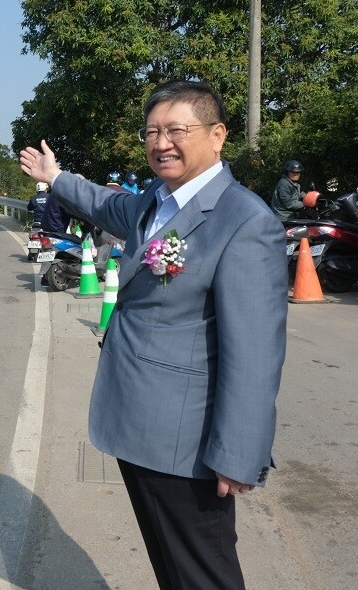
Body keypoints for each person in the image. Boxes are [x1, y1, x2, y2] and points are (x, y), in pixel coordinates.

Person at [19, 80, 287, 589]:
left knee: (203, 572)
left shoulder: (244, 220)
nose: (161, 142)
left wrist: (238, 452)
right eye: (152, 131)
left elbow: (253, 354)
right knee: (170, 562)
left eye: (176, 130)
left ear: (217, 136)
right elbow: (101, 204)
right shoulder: (153, 202)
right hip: (138, 425)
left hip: (187, 442)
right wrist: (55, 177)